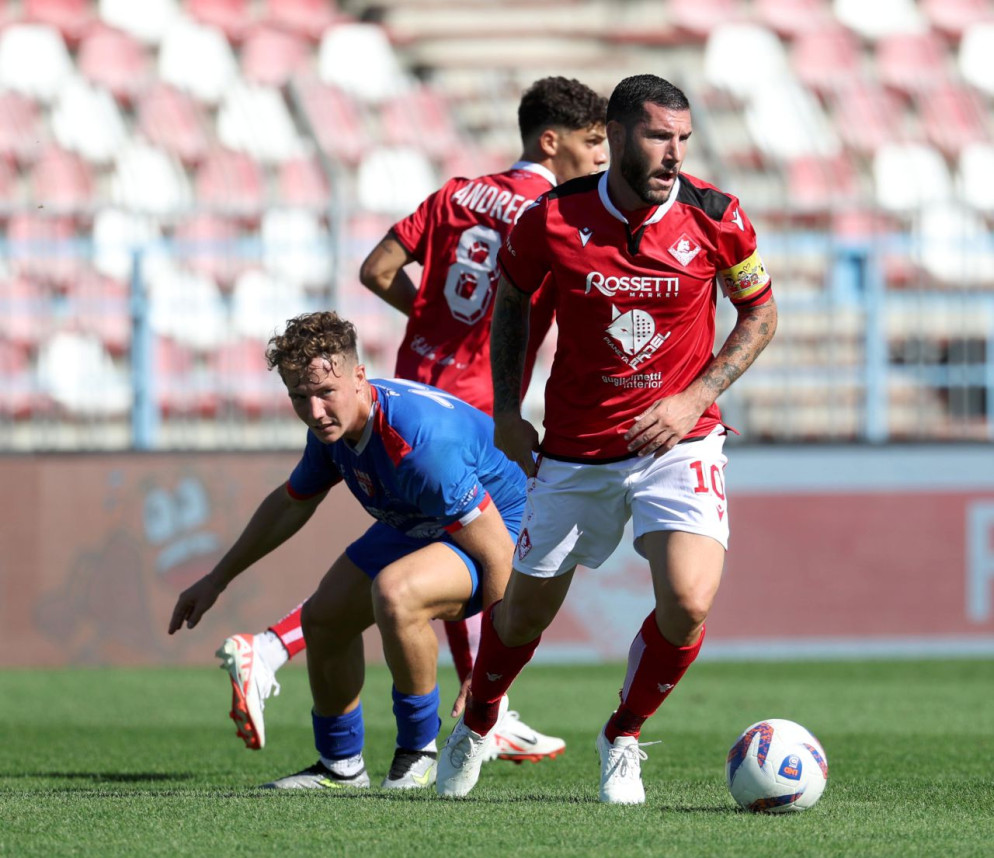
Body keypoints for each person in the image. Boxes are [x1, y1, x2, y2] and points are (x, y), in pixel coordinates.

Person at [215, 76, 608, 761]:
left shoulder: (456, 194)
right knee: (477, 546)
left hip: (410, 386)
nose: (602, 156)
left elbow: (377, 269)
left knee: (434, 549)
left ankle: (475, 708)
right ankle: (293, 653)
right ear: (552, 142)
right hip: (472, 406)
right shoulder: (552, 214)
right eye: (593, 140)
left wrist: (434, 319)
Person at [435, 74, 779, 804]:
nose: (674, 154)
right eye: (658, 136)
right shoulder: (552, 217)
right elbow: (511, 300)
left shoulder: (718, 216)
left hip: (680, 441)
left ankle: (623, 736)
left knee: (688, 601)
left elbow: (760, 313)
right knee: (525, 613)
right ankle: (480, 718)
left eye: (683, 139)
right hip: (576, 448)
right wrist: (507, 410)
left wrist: (694, 399)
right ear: (617, 135)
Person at [169, 311, 526, 790]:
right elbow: (290, 505)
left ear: (359, 377)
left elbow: (500, 553)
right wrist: (217, 579)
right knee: (324, 618)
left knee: (396, 593)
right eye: (300, 397)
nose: (314, 411)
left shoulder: (418, 448)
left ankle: (417, 756)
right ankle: (340, 767)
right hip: (424, 517)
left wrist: (491, 676)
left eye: (324, 393)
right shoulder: (332, 432)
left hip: (508, 527)